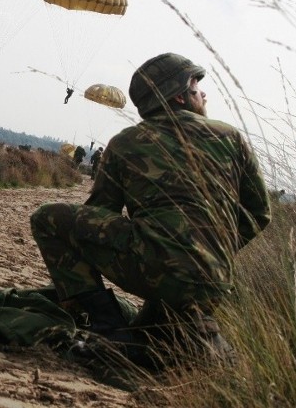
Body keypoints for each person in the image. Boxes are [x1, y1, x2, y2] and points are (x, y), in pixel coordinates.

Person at [31, 53, 271, 368]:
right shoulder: (231, 137)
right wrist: (210, 249)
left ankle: (107, 329)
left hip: (155, 271)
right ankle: (189, 330)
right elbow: (259, 214)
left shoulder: (126, 142)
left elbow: (99, 214)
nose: (204, 94)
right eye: (197, 87)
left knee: (47, 218)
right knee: (162, 325)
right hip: (214, 284)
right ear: (179, 95)